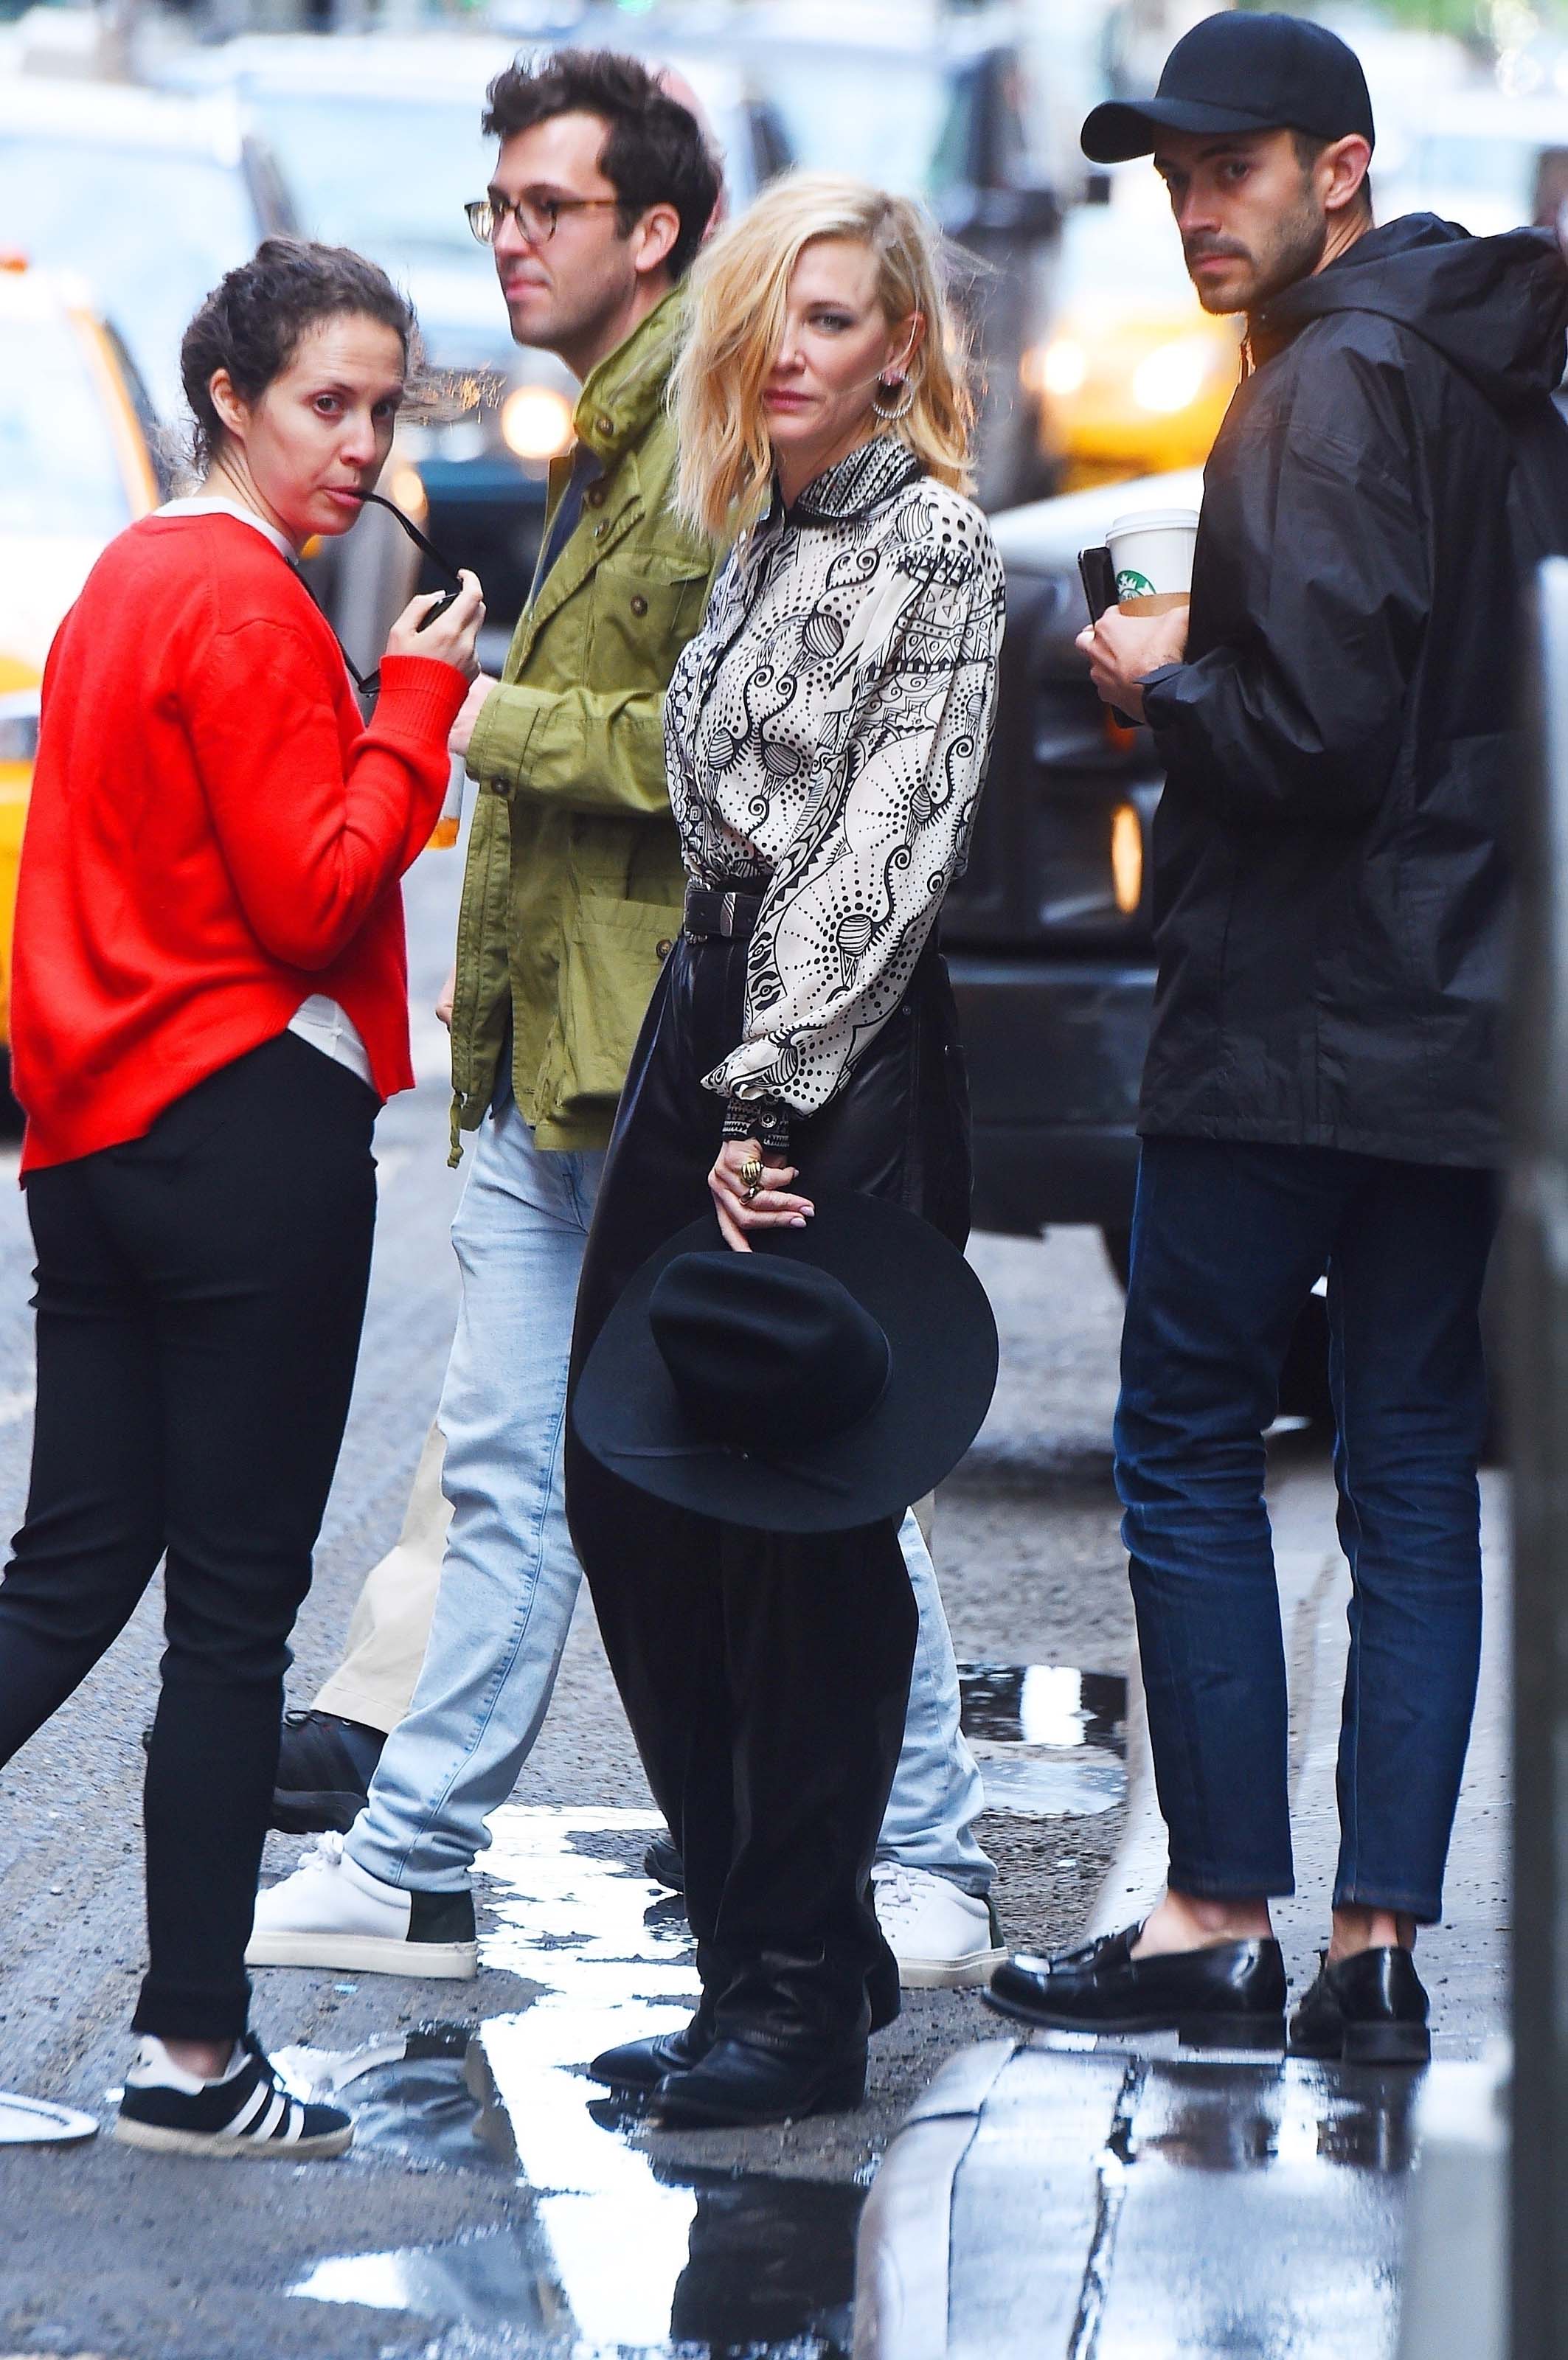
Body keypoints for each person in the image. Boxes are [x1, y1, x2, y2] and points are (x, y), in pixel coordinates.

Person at [251, 55, 1002, 1996]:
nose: (503, 241)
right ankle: (428, 1857)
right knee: (545, 1469)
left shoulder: (774, 470)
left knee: (799, 1468)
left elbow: (788, 809)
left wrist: (466, 722)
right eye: (491, 206)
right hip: (581, 1050)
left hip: (671, 1069)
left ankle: (909, 1862)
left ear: (651, 230)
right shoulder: (641, 436)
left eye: (544, 209)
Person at [988, 11, 1568, 2059]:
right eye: (1172, 180)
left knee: (1186, 1440)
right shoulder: (1493, 361)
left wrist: (1164, 676)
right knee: (1414, 1464)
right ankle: (1376, 1953)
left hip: (1293, 1012)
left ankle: (1217, 1914)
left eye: (1230, 172)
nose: (1193, 212)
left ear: (1341, 168)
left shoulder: (1331, 384)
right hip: (1462, 1015)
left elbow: (1316, 735)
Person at [0, 237, 483, 2157]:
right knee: (230, 1619)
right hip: (244, 1142)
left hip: (95, 1146)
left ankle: (193, 2047)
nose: (360, 447)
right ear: (232, 397)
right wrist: (423, 698)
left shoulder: (117, 581)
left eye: (383, 409)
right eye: (326, 406)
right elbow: (315, 890)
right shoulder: (253, 604)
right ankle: (192, 2057)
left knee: (65, 1580)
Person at [563, 172, 1007, 2130]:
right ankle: (763, 1943)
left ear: (903, 345)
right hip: (706, 1017)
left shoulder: (935, 542)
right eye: (771, 319)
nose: (790, 351)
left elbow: (881, 852)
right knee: (631, 1487)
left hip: (834, 1060)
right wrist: (707, 1073)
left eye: (831, 320)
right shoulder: (758, 533)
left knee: (801, 1530)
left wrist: (767, 1102)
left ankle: (800, 1982)